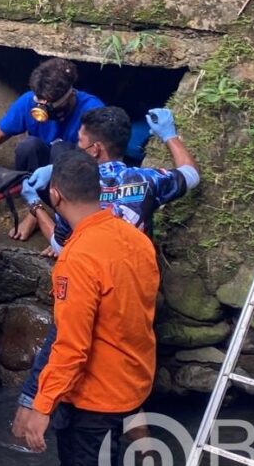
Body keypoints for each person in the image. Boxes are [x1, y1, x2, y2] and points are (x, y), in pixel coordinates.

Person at [13, 106, 200, 439]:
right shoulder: (145, 180)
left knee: (61, 358)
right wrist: (169, 135)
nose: (76, 145)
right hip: (133, 288)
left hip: (89, 289)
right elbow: (190, 174)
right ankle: (143, 453)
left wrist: (35, 205)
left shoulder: (80, 193)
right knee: (122, 372)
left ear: (95, 148)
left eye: (80, 141)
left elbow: (61, 247)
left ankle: (30, 422)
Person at [12, 149, 159, 466]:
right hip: (131, 381)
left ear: (56, 194)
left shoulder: (78, 258)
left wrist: (41, 405)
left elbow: (71, 345)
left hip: (96, 397)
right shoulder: (136, 239)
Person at [0, 57, 103, 240]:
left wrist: (58, 168)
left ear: (69, 95)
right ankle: (36, 210)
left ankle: (62, 226)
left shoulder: (92, 110)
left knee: (61, 149)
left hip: (76, 174)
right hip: (43, 171)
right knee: (28, 146)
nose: (41, 108)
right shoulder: (28, 102)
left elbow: (98, 159)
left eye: (49, 104)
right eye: (38, 101)